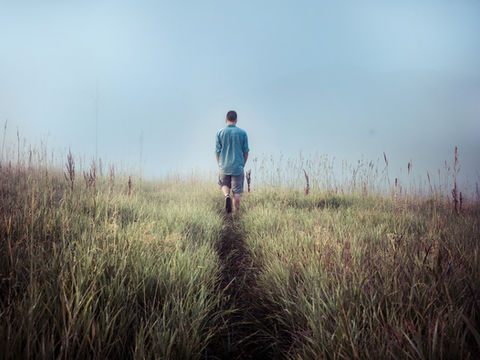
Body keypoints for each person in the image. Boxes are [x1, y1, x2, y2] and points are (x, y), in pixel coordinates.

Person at [215, 110, 249, 213]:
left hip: (224, 166)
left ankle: (226, 196)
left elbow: (217, 152)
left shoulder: (220, 133)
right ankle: (236, 214)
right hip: (238, 166)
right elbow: (246, 152)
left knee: (224, 185)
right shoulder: (242, 133)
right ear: (236, 120)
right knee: (237, 191)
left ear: (226, 119)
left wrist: (219, 164)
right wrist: (242, 164)